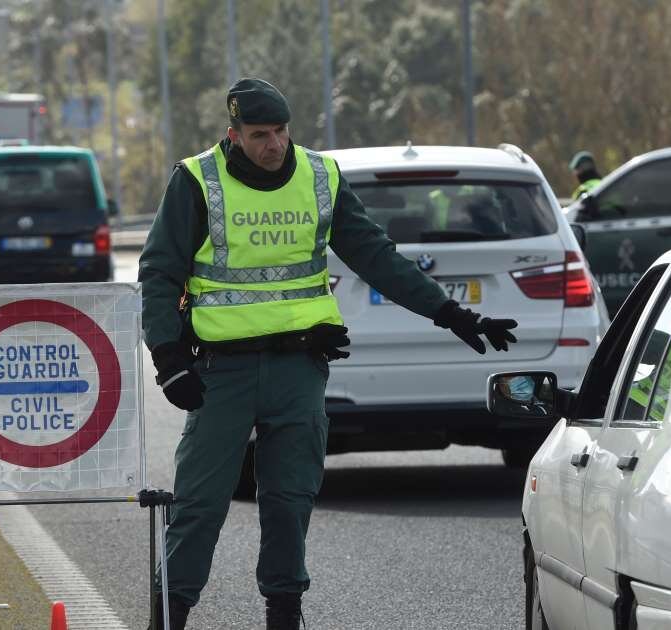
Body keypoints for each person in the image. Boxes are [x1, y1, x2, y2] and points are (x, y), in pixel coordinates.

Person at [139, 77, 519, 630]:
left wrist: (452, 313)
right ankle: (168, 618)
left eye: (281, 132)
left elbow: (377, 257)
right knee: (199, 508)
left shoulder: (320, 177)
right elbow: (159, 270)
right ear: (234, 135)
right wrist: (168, 358)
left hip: (299, 369)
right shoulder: (197, 181)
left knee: (289, 506)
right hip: (221, 373)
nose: (274, 145)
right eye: (259, 135)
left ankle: (284, 618)